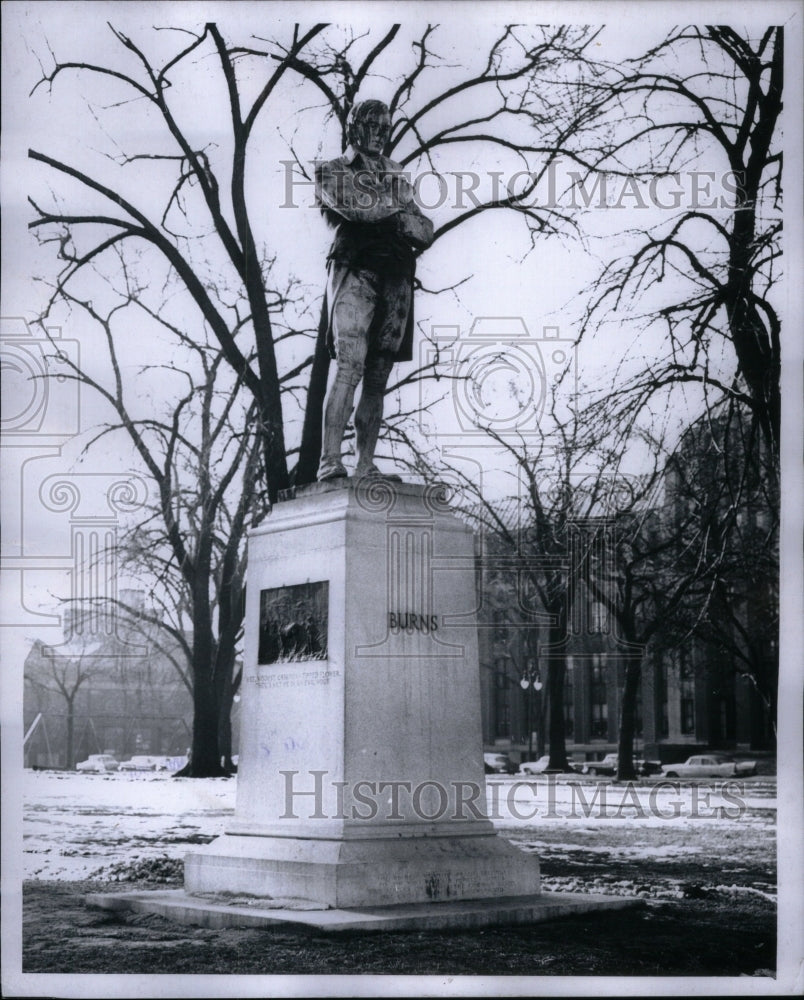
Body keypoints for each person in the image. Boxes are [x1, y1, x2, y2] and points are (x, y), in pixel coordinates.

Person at [314, 100, 434, 482]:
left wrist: (395, 215)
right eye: (373, 125)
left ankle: (365, 464)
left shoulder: (397, 174)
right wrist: (399, 214)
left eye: (386, 127)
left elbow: (425, 230)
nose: (380, 133)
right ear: (355, 129)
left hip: (396, 274)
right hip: (355, 269)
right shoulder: (332, 170)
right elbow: (356, 208)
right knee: (349, 364)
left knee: (378, 376)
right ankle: (329, 460)